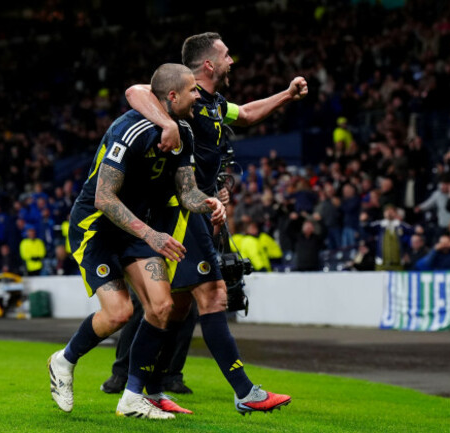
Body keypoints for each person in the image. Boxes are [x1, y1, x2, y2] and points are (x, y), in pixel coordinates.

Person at [121, 32, 304, 415]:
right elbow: (135, 91)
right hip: (180, 211)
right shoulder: (182, 98)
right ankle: (245, 392)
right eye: (226, 55)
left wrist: (286, 94)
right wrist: (166, 125)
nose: (231, 60)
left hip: (197, 209)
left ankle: (148, 388)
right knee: (215, 295)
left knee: (176, 307)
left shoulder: (218, 105)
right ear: (208, 64)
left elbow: (249, 113)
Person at [46, 63, 225, 420]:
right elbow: (104, 198)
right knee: (120, 313)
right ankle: (63, 360)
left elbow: (187, 191)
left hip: (138, 228)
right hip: (98, 228)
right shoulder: (128, 130)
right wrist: (152, 234)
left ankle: (131, 397)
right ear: (172, 96)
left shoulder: (185, 132)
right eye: (192, 90)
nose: (198, 95)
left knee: (162, 307)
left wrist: (209, 202)